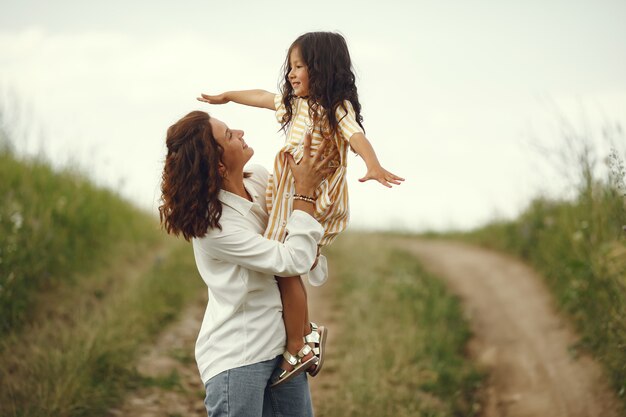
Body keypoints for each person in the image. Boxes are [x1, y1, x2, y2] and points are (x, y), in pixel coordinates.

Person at [198, 31, 404, 385]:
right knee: (284, 264)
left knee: (286, 268)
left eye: (300, 67)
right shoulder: (296, 105)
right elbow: (263, 96)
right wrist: (229, 97)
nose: (292, 74)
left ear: (322, 69)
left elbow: (357, 137)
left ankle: (299, 343)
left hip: (311, 193)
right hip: (289, 191)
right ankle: (301, 335)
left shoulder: (336, 108)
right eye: (290, 67)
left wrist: (373, 164)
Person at [159, 110, 336, 416]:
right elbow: (292, 258)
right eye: (229, 135)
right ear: (217, 162)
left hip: (284, 349)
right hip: (239, 358)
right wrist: (304, 195)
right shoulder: (214, 227)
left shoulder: (260, 180)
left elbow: (297, 241)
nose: (240, 132)